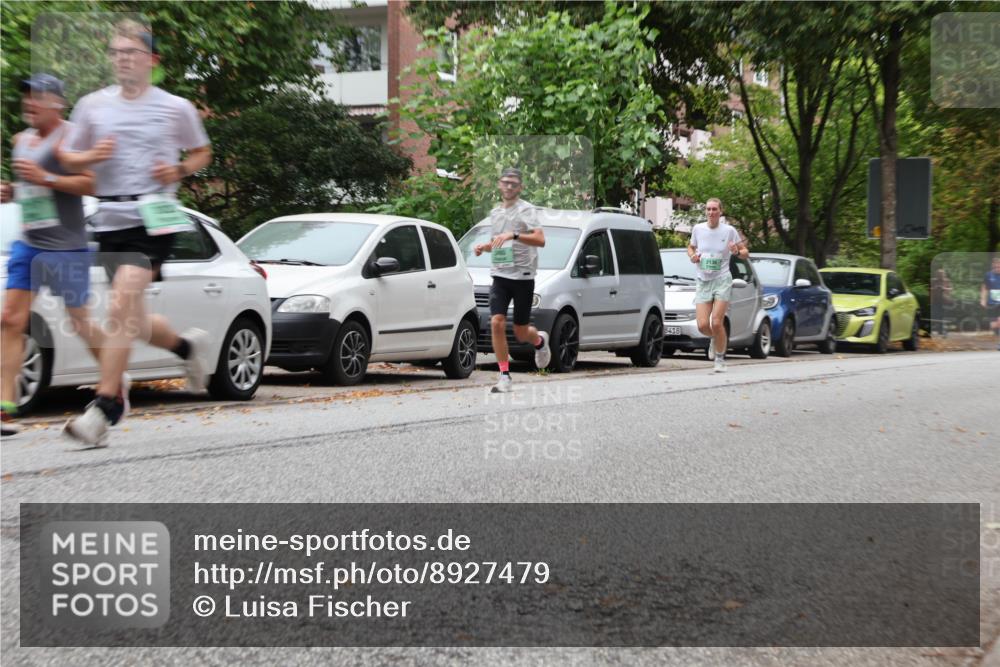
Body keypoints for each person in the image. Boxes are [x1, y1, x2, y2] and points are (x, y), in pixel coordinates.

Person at [57, 19, 213, 447]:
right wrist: (91, 155)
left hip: (154, 216)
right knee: (134, 320)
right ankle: (186, 348)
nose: (122, 59)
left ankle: (106, 405)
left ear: (152, 60)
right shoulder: (91, 106)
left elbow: (202, 152)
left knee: (120, 304)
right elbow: (68, 159)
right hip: (110, 217)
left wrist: (179, 169)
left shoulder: (175, 107)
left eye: (131, 52)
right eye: (116, 52)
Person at [0, 75, 102, 437]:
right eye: (26, 96)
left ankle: (112, 380)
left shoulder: (73, 138)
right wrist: (12, 191)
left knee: (80, 322)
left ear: (58, 103)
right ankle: (5, 406)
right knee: (10, 319)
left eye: (38, 97)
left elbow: (92, 183)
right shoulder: (21, 140)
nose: (29, 102)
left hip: (66, 247)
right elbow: (32, 186)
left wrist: (46, 178)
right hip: (29, 243)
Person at [473, 168, 550, 393]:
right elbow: (498, 243)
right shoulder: (496, 213)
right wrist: (484, 247)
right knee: (496, 322)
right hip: (500, 275)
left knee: (520, 332)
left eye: (513, 184)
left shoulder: (526, 210)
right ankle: (504, 376)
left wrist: (514, 235)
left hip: (523, 276)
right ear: (499, 184)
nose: (508, 186)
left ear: (520, 188)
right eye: (505, 182)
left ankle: (539, 342)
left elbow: (540, 240)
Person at [688, 198, 749, 373]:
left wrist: (736, 251)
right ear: (705, 211)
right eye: (708, 209)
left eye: (714, 209)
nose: (711, 212)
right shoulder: (698, 229)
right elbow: (691, 248)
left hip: (722, 279)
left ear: (720, 211)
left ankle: (720, 359)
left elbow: (745, 253)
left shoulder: (729, 231)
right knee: (702, 325)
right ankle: (715, 338)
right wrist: (692, 256)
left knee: (716, 322)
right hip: (703, 280)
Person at [981, 255, 1000, 350]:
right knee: (993, 325)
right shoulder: (988, 275)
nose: (997, 268)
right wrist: (983, 300)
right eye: (996, 267)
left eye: (999, 267)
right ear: (993, 266)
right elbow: (984, 288)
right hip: (992, 302)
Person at [930, 268, 953, 337]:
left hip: (945, 300)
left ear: (944, 274)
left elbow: (951, 289)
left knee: (943, 315)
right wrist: (935, 288)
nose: (940, 275)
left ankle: (943, 330)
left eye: (942, 274)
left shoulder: (947, 281)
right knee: (937, 315)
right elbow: (930, 288)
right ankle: (939, 329)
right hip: (935, 300)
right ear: (937, 274)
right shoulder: (933, 281)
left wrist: (944, 288)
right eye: (939, 274)